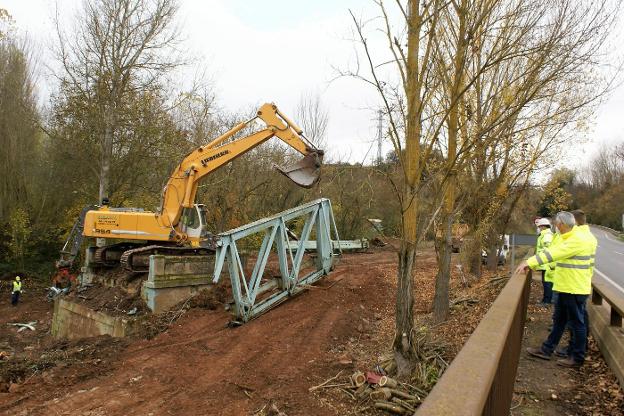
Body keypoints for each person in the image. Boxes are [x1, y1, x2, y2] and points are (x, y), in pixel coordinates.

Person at [516, 211, 597, 368]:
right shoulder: (578, 237)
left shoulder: (577, 240)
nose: (555, 228)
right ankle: (547, 349)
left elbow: (555, 253)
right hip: (568, 285)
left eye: (556, 225)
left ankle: (577, 357)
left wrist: (529, 262)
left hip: (573, 287)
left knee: (577, 322)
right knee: (560, 320)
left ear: (561, 225)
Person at [535, 218, 554, 305]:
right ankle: (546, 300)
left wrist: (536, 260)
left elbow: (547, 250)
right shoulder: (545, 234)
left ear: (542, 226)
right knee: (546, 282)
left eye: (539, 226)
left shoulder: (547, 236)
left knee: (547, 283)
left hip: (547, 264)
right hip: (545, 263)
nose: (538, 228)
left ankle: (547, 301)